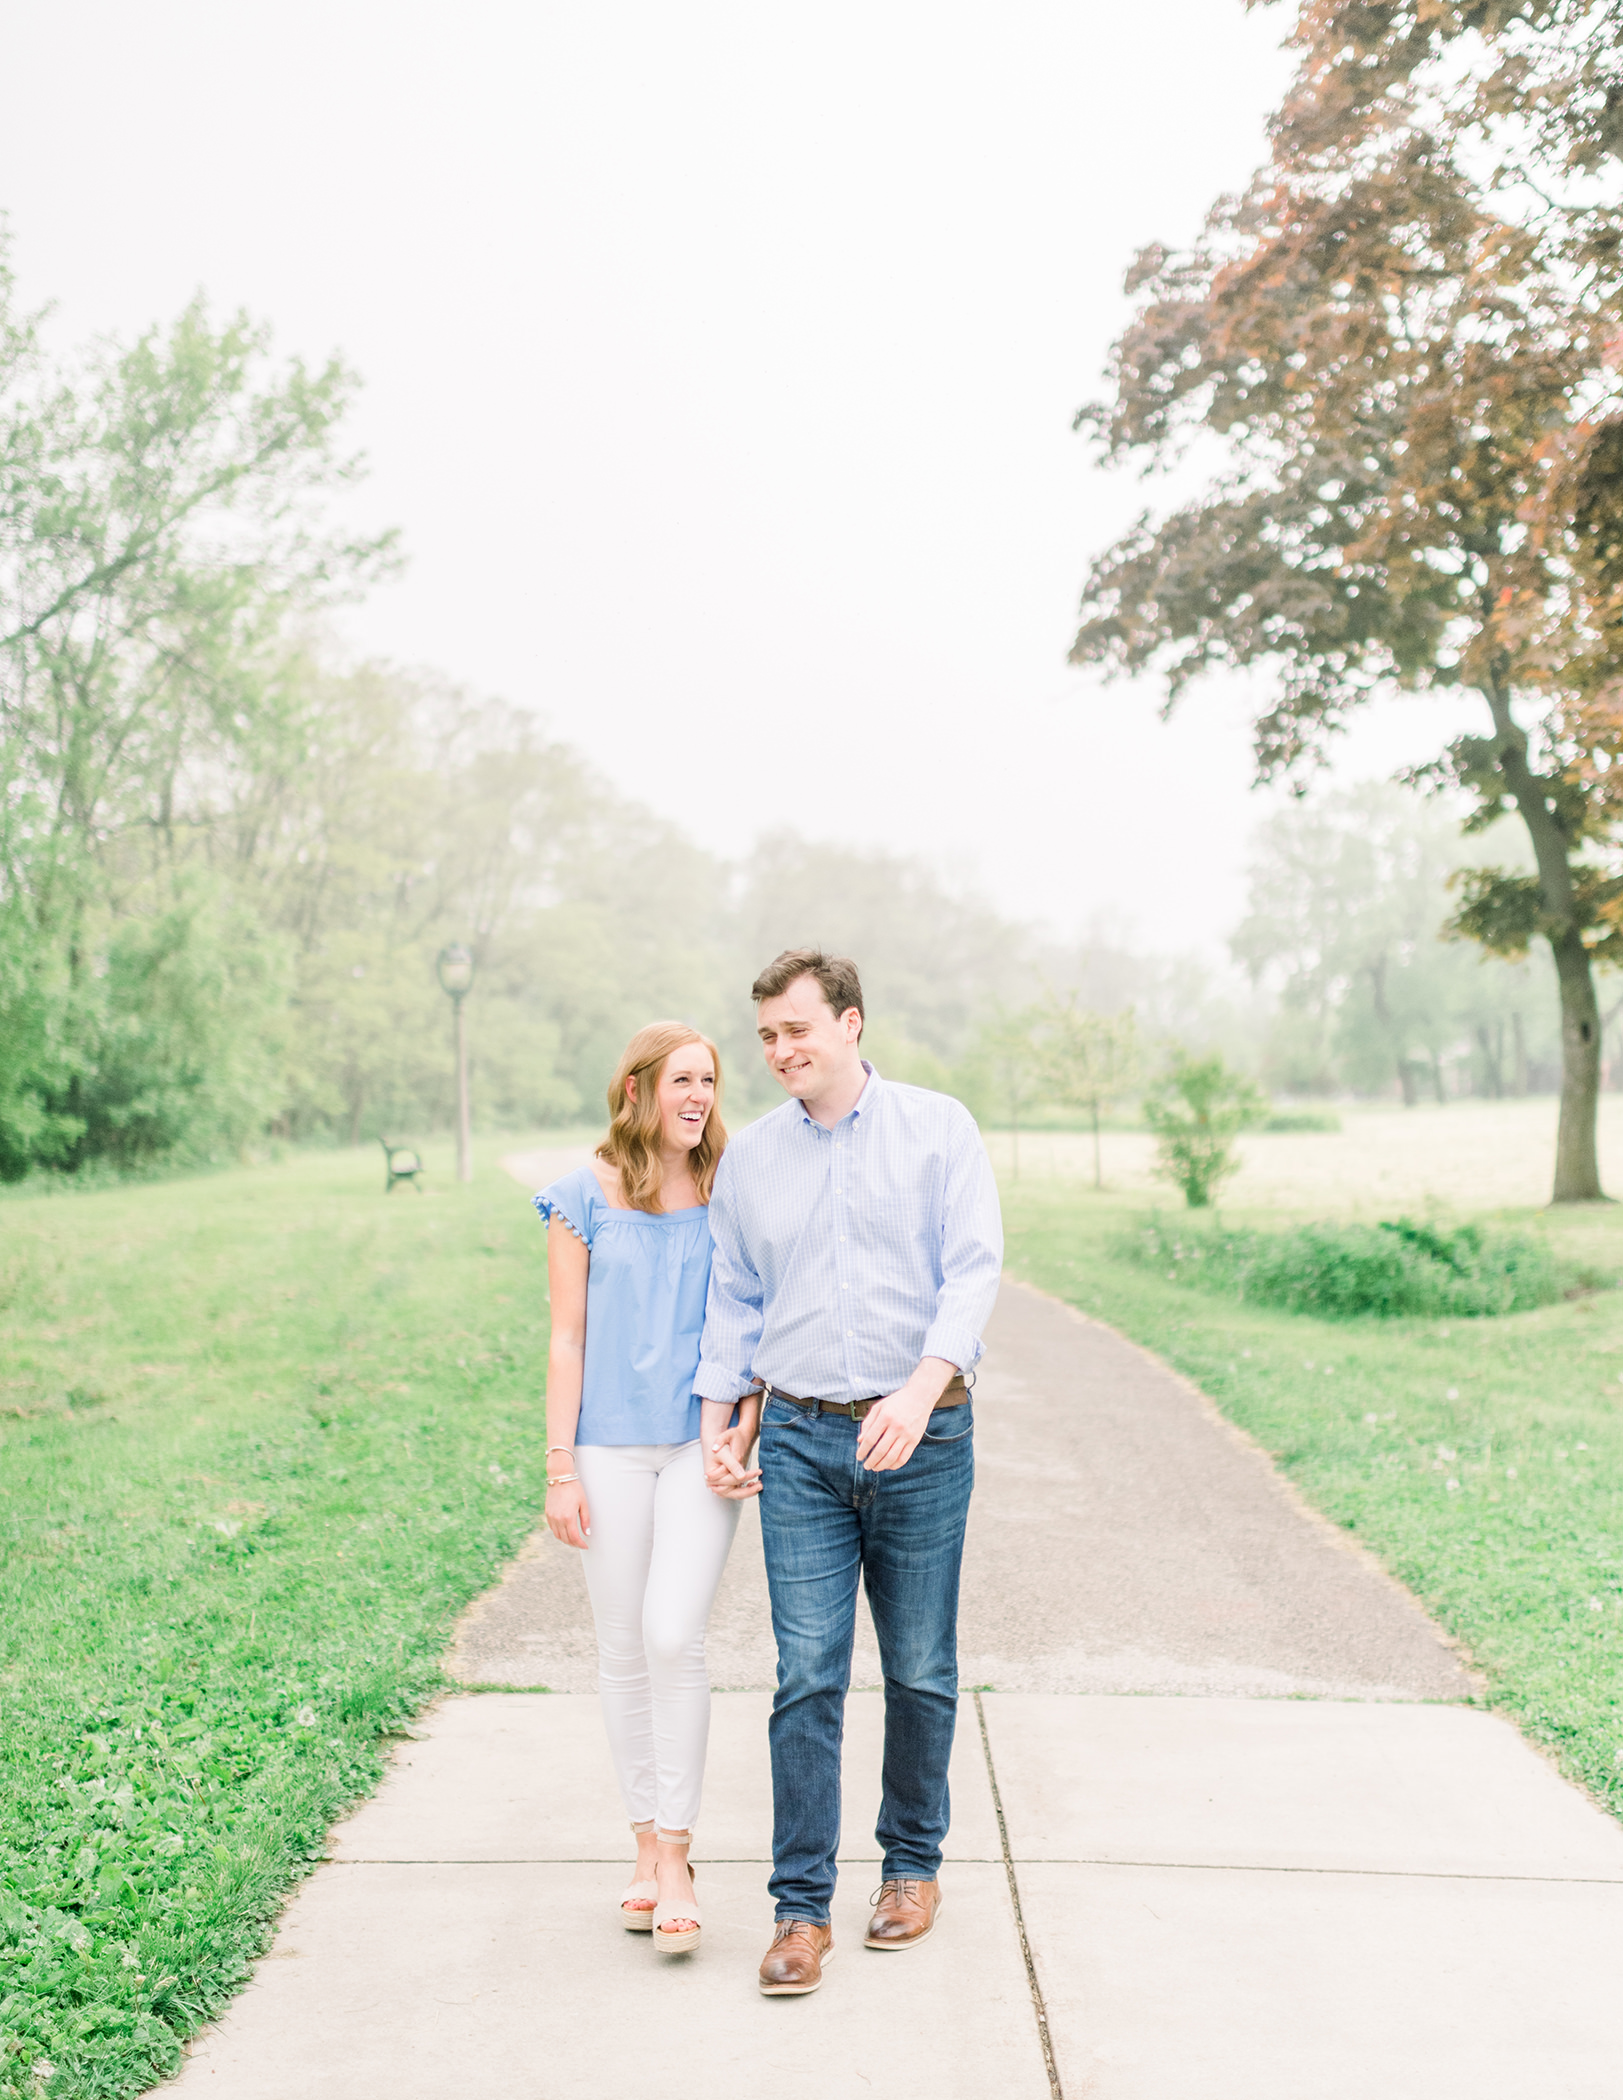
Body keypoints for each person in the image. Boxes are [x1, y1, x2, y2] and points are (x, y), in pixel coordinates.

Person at [697, 950, 1003, 1996]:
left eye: (798, 1029)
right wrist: (723, 1423)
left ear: (852, 1023)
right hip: (801, 1442)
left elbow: (972, 1270)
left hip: (924, 1437)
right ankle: (799, 1909)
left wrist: (916, 1394)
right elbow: (735, 1298)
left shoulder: (938, 1129)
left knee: (919, 1667)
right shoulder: (752, 1161)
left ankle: (911, 1870)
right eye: (768, 1037)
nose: (782, 1051)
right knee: (807, 1677)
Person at [535, 1020, 760, 1953]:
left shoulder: (729, 1189)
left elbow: (754, 1322)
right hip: (607, 1451)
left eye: (708, 1080)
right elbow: (567, 1338)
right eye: (681, 1080)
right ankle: (649, 1853)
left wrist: (742, 1428)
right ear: (635, 1090)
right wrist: (558, 1467)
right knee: (622, 1649)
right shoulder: (578, 1198)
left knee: (673, 1634)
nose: (698, 1096)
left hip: (696, 1447)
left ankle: (679, 1846)